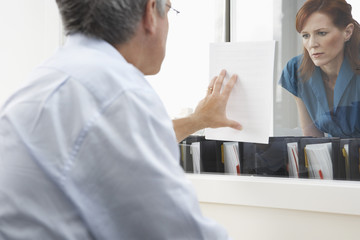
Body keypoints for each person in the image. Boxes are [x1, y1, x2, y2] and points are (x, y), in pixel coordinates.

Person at [0, 0, 241, 239]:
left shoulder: (52, 76)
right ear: (150, 13)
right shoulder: (117, 90)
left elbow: (111, 140)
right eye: (168, 9)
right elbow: (181, 233)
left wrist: (198, 120)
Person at [280, 0, 360, 137]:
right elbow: (313, 141)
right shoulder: (296, 70)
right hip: (329, 156)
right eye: (306, 35)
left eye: (322, 33)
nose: (312, 44)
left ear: (347, 32)